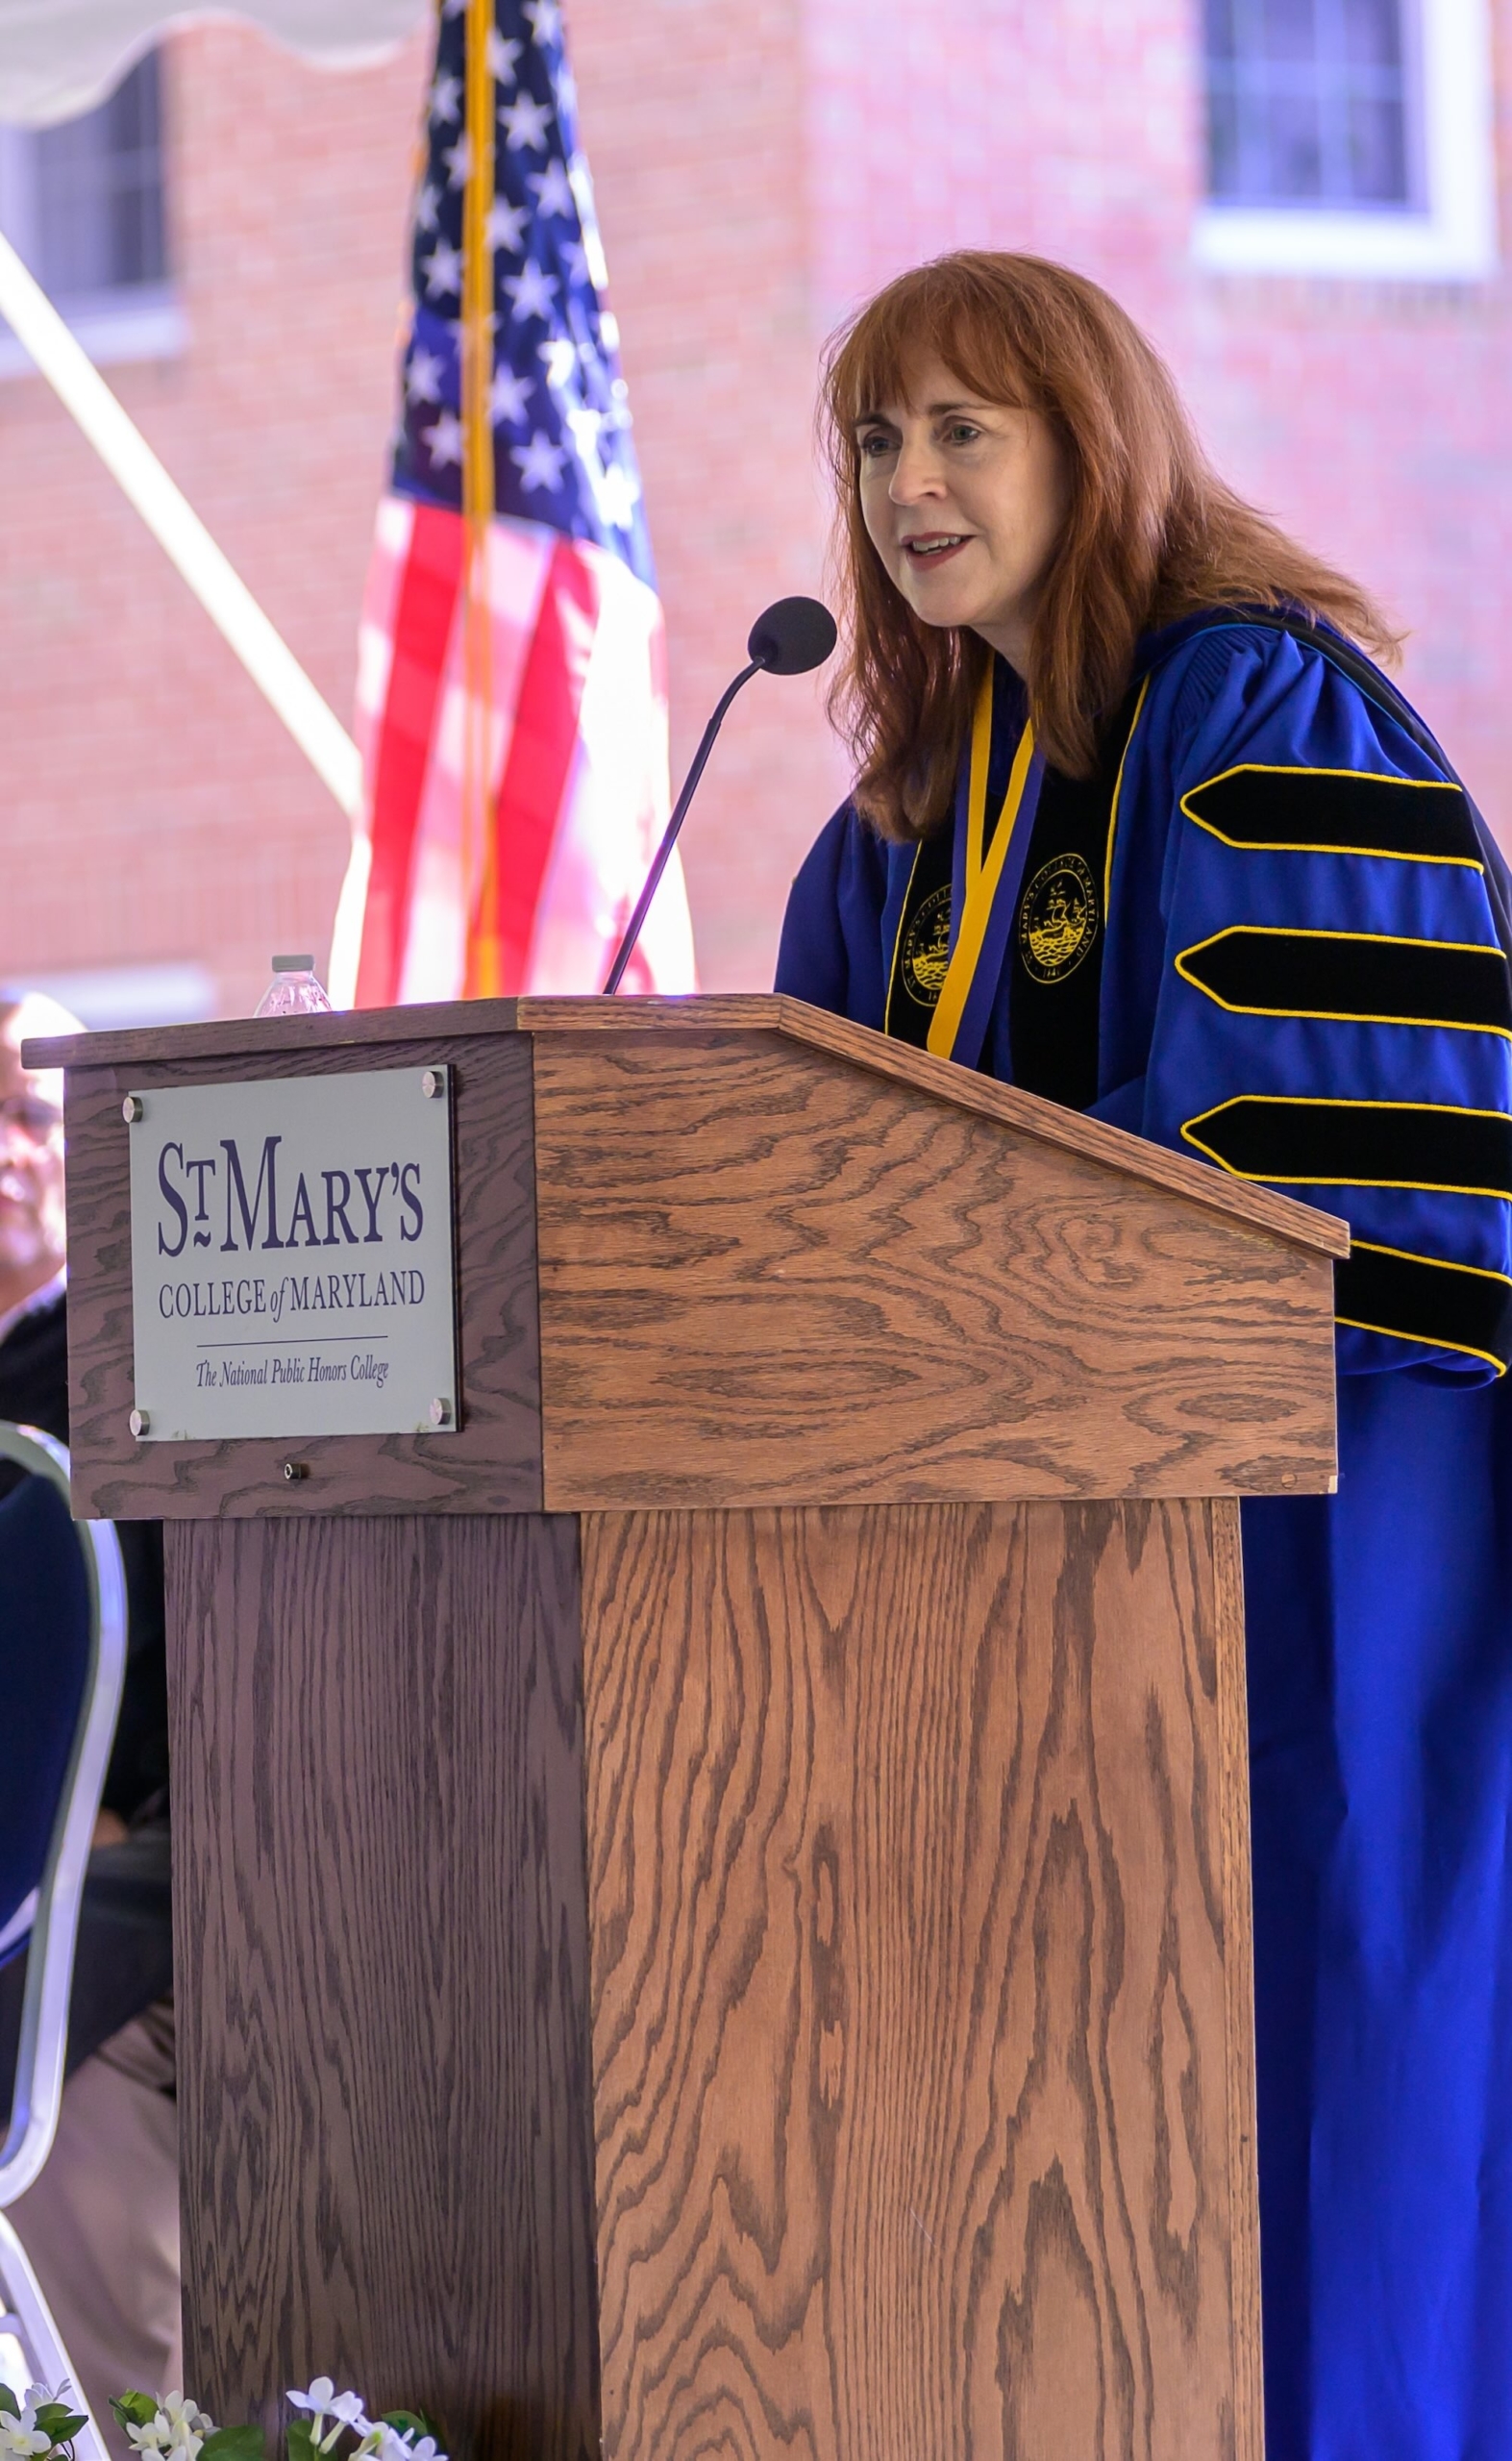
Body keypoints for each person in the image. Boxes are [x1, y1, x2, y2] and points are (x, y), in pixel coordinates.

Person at [776, 251, 1512, 2459]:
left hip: (1332, 1534)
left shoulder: (1261, 703)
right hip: (1046, 1578)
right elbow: (784, 1172)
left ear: (1090, 444)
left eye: (959, 429)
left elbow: (1316, 1155)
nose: (908, 485)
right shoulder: (909, 810)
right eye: (876, 441)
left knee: (1328, 2063)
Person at [0, 993, 180, 2441]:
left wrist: (82, 1814)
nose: (8, 1153)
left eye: (30, 1117)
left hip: (93, 1865)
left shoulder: (132, 1372)